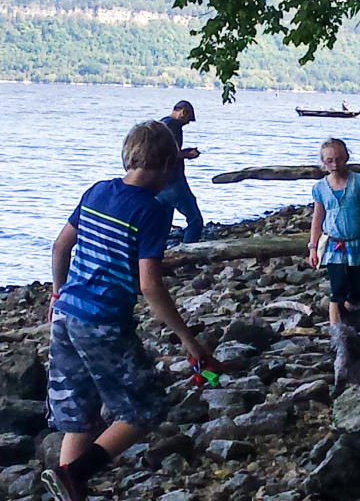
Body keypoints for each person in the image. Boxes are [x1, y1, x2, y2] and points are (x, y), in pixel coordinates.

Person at [42, 120, 216, 501]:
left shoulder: (98, 191)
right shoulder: (152, 211)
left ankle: (70, 490)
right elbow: (149, 284)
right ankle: (74, 475)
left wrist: (57, 295)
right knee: (146, 408)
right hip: (102, 321)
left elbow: (60, 248)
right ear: (171, 164)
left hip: (66, 315)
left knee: (82, 417)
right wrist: (190, 341)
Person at [307, 138, 360, 325]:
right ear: (323, 162)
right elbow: (317, 219)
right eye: (329, 161)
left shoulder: (359, 182)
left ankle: (353, 315)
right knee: (336, 291)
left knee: (355, 292)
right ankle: (338, 336)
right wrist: (312, 247)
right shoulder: (320, 188)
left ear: (346, 158)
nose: (335, 164)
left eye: (339, 159)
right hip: (334, 246)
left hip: (358, 244)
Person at [156, 99, 204, 243]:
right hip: (174, 182)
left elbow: (164, 151)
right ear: (183, 112)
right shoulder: (174, 125)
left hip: (160, 183)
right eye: (189, 118)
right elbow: (170, 153)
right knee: (195, 220)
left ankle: (157, 255)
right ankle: (188, 252)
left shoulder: (160, 124)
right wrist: (188, 155)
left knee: (163, 224)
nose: (188, 123)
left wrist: (183, 152)